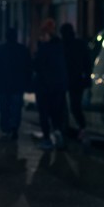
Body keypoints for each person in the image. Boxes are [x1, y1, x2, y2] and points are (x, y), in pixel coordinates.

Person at [0, 26, 32, 140]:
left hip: (4, 85)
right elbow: (28, 68)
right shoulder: (23, 50)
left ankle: (6, 128)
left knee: (4, 108)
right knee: (16, 108)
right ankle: (13, 128)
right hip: (17, 85)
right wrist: (28, 84)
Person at [32, 17, 68, 150]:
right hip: (58, 87)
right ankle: (58, 132)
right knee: (56, 113)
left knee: (44, 114)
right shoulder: (60, 48)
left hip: (44, 87)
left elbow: (36, 65)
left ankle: (47, 139)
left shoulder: (44, 49)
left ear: (47, 34)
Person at [60, 22, 92, 141]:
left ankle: (70, 129)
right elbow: (87, 63)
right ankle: (80, 128)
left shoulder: (64, 45)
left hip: (69, 80)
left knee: (70, 106)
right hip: (76, 80)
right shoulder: (79, 44)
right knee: (74, 106)